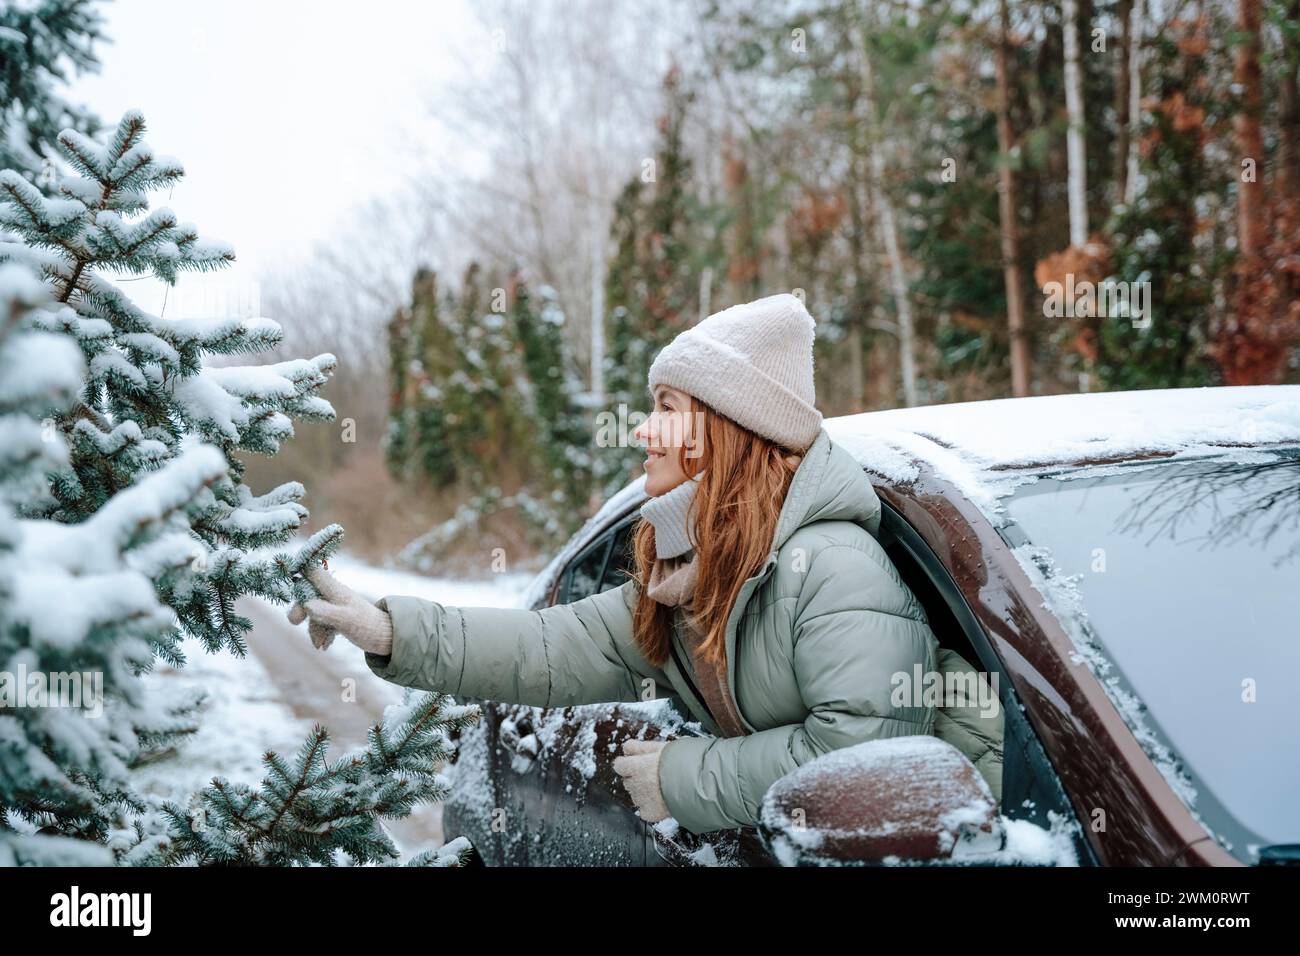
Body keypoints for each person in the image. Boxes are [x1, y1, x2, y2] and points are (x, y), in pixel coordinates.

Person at [290, 293, 977, 836]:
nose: (644, 431)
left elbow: (861, 764)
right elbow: (549, 647)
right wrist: (386, 628)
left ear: (725, 431)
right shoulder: (688, 578)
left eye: (667, 409)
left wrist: (686, 777)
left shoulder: (830, 568)